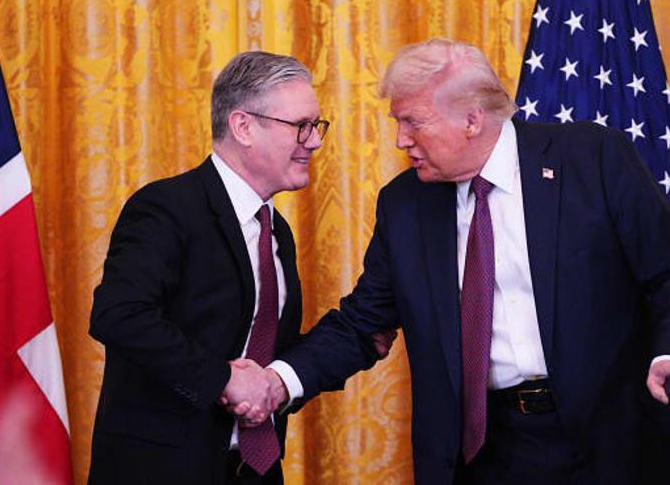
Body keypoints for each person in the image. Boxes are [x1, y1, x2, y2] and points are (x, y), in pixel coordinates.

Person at [264, 38, 670, 484]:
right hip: (482, 455)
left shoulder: (591, 158)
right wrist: (279, 382)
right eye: (398, 122)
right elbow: (363, 325)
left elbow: (664, 273)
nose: (401, 140)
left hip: (610, 443)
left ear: (472, 119)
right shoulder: (405, 205)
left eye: (413, 122)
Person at [87, 51, 393, 484]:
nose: (314, 141)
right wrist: (223, 380)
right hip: (162, 471)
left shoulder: (275, 230)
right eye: (301, 126)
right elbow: (119, 316)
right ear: (243, 126)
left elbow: (259, 352)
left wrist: (351, 342)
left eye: (317, 125)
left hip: (253, 471)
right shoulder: (167, 207)